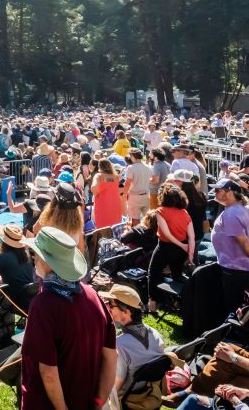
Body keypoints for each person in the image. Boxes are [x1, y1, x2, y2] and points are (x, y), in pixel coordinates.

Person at [20, 226, 117, 410]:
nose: (34, 259)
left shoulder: (43, 305)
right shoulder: (92, 295)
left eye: (36, 255)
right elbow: (111, 356)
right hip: (86, 401)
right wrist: (98, 402)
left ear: (47, 263)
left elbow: (48, 372)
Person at [210, 177, 249, 317]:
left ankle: (236, 337)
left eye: (218, 190)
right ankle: (244, 335)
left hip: (236, 270)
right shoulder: (248, 209)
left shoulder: (230, 214)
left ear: (230, 193)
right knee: (248, 307)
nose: (214, 192)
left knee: (237, 309)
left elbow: (244, 242)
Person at [100, 284, 168, 397]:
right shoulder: (156, 334)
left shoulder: (120, 346)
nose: (107, 307)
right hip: (148, 393)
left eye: (111, 304)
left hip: (126, 398)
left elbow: (116, 387)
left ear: (126, 312)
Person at [146, 184, 195, 312]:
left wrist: (182, 246)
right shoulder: (184, 212)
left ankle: (153, 304)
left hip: (165, 248)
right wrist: (190, 254)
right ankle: (179, 302)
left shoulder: (160, 211)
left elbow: (166, 234)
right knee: (178, 275)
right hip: (181, 249)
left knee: (153, 273)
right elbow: (192, 237)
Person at [91, 158, 123, 229]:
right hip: (116, 204)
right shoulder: (116, 177)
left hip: (103, 204)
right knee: (115, 228)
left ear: (100, 166)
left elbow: (93, 187)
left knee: (103, 230)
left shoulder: (99, 176)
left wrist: (97, 193)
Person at [123, 148, 152, 222]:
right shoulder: (148, 167)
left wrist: (124, 196)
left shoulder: (131, 168)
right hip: (146, 196)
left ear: (132, 156)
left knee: (134, 219)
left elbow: (127, 183)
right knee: (147, 220)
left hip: (134, 196)